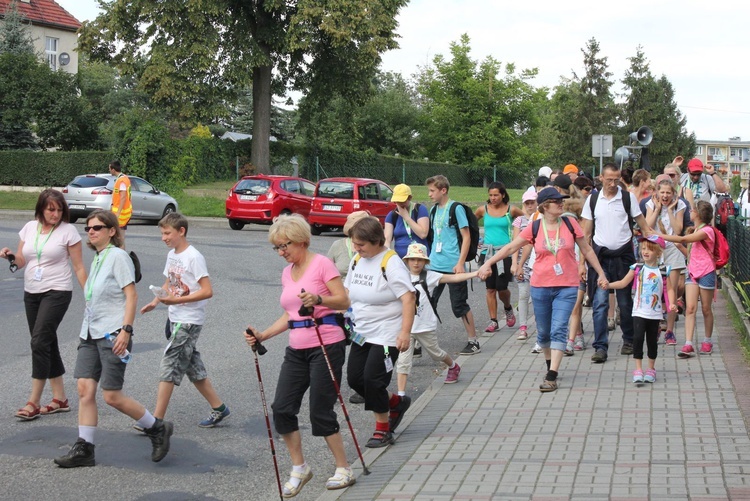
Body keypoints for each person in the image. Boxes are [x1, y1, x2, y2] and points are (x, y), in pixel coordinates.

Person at [244, 214, 354, 496]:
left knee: (320, 410)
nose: (281, 252)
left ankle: (343, 468)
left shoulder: (321, 264)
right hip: (297, 348)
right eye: (277, 248)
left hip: (327, 344)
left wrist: (319, 300)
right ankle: (300, 467)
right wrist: (262, 335)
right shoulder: (287, 272)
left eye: (285, 246)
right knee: (281, 408)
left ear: (302, 241)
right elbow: (289, 314)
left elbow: (343, 300)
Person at [55, 210, 173, 468]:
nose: (91, 231)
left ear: (111, 231)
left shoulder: (118, 256)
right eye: (88, 228)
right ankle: (85, 448)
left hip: (112, 333)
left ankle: (156, 427)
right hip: (90, 332)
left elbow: (131, 296)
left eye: (97, 227)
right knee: (84, 390)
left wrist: (126, 329)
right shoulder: (98, 257)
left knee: (111, 395)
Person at [477, 188, 608, 392]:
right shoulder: (535, 226)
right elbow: (512, 247)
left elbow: (587, 249)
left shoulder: (570, 223)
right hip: (540, 286)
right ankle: (550, 365)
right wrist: (488, 263)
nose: (561, 203)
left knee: (558, 328)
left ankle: (552, 374)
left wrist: (600, 273)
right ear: (545, 206)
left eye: (561, 200)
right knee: (544, 332)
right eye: (556, 201)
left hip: (567, 285)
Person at [1, 189, 87, 420]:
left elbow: (78, 267)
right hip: (32, 292)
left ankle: (34, 401)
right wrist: (10, 257)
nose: (56, 214)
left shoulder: (68, 232)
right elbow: (22, 260)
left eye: (59, 210)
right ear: (41, 209)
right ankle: (60, 399)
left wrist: (90, 294)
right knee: (46, 342)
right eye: (51, 209)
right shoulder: (29, 228)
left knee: (39, 341)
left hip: (57, 292)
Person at [139, 212, 230, 429]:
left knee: (169, 365)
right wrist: (157, 300)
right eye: (162, 233)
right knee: (192, 367)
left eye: (167, 233)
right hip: (174, 319)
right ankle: (219, 408)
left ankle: (155, 421)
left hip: (188, 321)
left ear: (182, 231)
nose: (164, 237)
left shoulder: (194, 257)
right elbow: (170, 280)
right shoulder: (173, 255)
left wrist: (178, 300)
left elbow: (208, 291)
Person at [345, 216, 415, 447]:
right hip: (361, 332)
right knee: (356, 379)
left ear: (376, 241)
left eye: (361, 244)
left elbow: (408, 298)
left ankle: (383, 430)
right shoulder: (357, 259)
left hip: (387, 334)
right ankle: (396, 402)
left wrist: (405, 332)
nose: (356, 248)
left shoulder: (390, 262)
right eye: (355, 243)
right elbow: (347, 292)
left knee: (373, 380)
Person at [582, 163, 653, 363]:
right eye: (609, 179)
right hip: (600, 258)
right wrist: (581, 264)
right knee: (600, 302)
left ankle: (629, 340)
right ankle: (600, 347)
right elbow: (585, 236)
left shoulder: (627, 197)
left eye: (616, 179)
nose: (613, 183)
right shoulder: (593, 200)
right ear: (601, 178)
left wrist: (655, 245)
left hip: (624, 256)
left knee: (624, 301)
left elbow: (643, 226)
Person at [396, 243, 475, 395]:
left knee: (436, 353)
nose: (416, 263)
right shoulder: (401, 277)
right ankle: (401, 395)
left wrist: (475, 274)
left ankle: (453, 366)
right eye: (412, 259)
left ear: (425, 262)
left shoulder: (430, 276)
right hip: (407, 327)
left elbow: (455, 278)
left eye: (420, 260)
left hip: (425, 325)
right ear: (407, 261)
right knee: (403, 361)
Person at [608, 235, 677, 384]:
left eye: (649, 249)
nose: (645, 252)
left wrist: (671, 303)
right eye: (643, 248)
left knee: (652, 341)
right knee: (638, 339)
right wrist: (608, 285)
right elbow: (622, 283)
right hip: (639, 311)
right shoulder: (637, 268)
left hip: (655, 313)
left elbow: (669, 289)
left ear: (658, 253)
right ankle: (638, 369)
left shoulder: (663, 270)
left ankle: (651, 368)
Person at [425, 175, 478, 355]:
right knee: (426, 302)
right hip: (435, 265)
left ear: (443, 190)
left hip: (454, 266)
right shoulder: (433, 211)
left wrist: (460, 263)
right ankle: (419, 342)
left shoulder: (455, 209)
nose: (429, 194)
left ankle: (473, 341)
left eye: (432, 190)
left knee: (459, 305)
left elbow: (466, 237)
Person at [660, 201, 718, 357]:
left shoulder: (707, 231)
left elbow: (684, 240)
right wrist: (674, 241)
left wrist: (661, 235)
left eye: (692, 210)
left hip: (706, 272)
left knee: (706, 308)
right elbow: (690, 254)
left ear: (698, 214)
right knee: (690, 308)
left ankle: (707, 340)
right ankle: (688, 343)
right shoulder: (695, 230)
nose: (690, 212)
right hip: (692, 272)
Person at [327, 210, 370, 405]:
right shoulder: (337, 246)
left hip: (362, 303)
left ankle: (361, 384)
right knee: (339, 342)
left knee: (360, 341)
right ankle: (333, 382)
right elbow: (325, 273)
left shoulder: (372, 248)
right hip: (341, 303)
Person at [474, 182, 523, 333]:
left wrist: (519, 240)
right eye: (490, 195)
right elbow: (470, 225)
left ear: (503, 194)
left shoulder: (511, 210)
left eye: (496, 195)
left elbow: (526, 221)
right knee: (490, 289)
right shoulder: (483, 209)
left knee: (502, 288)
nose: (493, 198)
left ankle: (508, 307)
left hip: (505, 253)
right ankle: (493, 320)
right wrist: (475, 241)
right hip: (487, 253)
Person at [645, 177, 687, 345]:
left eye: (668, 193)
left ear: (673, 194)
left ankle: (669, 330)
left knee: (673, 292)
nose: (665, 195)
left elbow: (678, 230)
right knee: (654, 290)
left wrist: (670, 210)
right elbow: (647, 226)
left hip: (673, 249)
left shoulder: (680, 205)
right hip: (656, 250)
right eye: (662, 192)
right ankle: (655, 327)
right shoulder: (650, 204)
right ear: (656, 192)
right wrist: (656, 209)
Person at [510, 188, 538, 342]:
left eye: (532, 202)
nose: (529, 206)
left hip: (537, 260)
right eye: (526, 203)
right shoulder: (519, 221)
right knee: (523, 294)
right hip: (522, 261)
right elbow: (515, 243)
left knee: (536, 295)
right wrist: (515, 263)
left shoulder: (540, 218)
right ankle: (523, 326)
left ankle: (540, 324)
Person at [384, 184, 430, 258]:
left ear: (410, 198)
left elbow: (423, 234)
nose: (400, 204)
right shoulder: (392, 215)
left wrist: (406, 217)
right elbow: (387, 239)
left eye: (403, 201)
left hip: (419, 258)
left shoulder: (420, 210)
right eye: (397, 201)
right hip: (401, 259)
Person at [109, 160, 132, 248]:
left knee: (120, 237)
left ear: (113, 169)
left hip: (122, 214)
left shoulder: (122, 180)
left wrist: (118, 213)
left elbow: (123, 197)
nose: (109, 171)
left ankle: (122, 257)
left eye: (109, 169)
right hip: (122, 212)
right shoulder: (122, 178)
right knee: (119, 237)